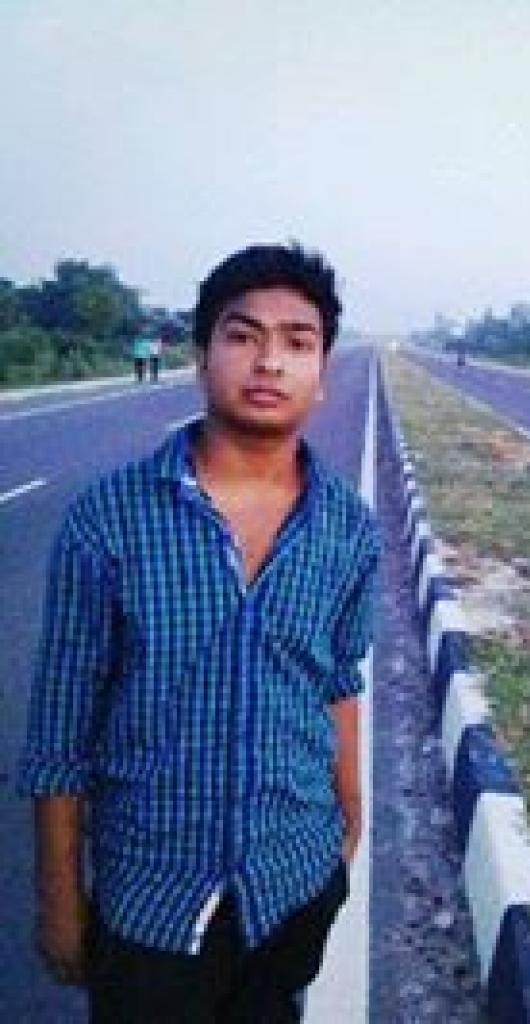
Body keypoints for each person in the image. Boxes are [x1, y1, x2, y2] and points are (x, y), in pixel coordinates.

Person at [17, 243, 381, 1023]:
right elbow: (58, 733)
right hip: (150, 898)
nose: (268, 361)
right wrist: (59, 900)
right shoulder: (108, 520)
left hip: (293, 883)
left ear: (321, 373)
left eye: (297, 342)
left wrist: (351, 819)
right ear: (201, 356)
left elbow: (337, 680)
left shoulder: (349, 527)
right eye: (242, 335)